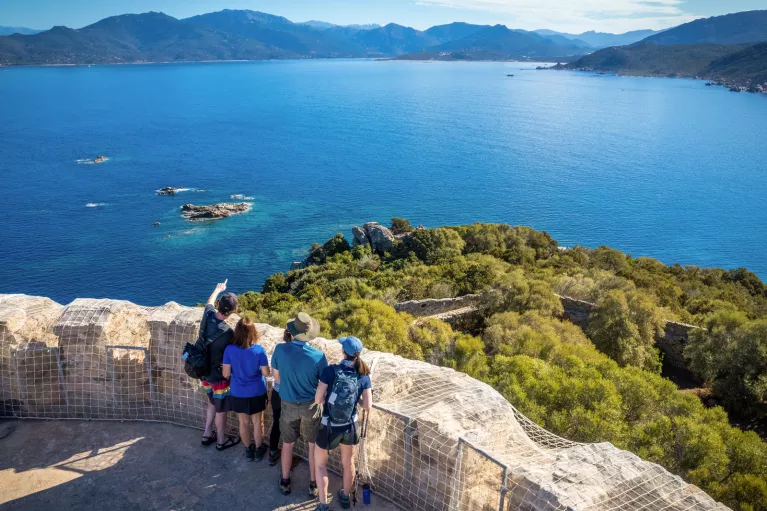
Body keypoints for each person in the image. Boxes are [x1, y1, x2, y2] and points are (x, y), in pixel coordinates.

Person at [271, 312, 328, 497]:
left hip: (287, 403)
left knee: (287, 443)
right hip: (310, 406)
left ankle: (285, 480)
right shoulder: (319, 356)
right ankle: (313, 484)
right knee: (313, 445)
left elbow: (277, 378)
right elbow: (323, 384)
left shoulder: (280, 350)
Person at [313, 337, 373, 511]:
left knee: (320, 465)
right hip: (350, 425)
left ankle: (323, 505)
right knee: (348, 463)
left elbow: (318, 399)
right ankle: (345, 498)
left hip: (328, 424)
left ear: (343, 352)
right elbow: (368, 405)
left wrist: (330, 401)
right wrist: (354, 402)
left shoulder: (330, 371)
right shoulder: (363, 375)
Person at [200, 280, 240, 451]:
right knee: (221, 409)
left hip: (203, 371)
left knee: (211, 403)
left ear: (218, 305)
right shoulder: (228, 332)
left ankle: (207, 433)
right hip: (219, 377)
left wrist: (217, 289)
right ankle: (221, 440)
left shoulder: (208, 315)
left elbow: (208, 302)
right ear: (234, 311)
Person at [222, 318, 270, 461]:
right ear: (253, 333)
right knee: (257, 422)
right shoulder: (259, 351)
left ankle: (248, 450)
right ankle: (258, 450)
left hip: (238, 392)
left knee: (243, 422)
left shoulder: (229, 350)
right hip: (257, 391)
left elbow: (225, 374)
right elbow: (266, 373)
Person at [267, 328, 292, 466]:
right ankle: (288, 458)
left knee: (277, 423)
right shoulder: (299, 352)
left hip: (277, 393)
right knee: (291, 427)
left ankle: (272, 453)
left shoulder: (279, 349)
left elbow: (276, 378)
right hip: (291, 396)